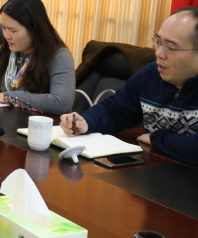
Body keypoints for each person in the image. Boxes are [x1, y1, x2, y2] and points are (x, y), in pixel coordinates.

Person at [60, 8, 198, 164]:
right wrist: (86, 121)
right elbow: (115, 110)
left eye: (170, 47)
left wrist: (156, 138)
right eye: (158, 42)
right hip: (154, 169)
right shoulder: (151, 74)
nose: (158, 53)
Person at [0, 0, 75, 115]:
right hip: (7, 119)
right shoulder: (8, 48)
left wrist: (10, 97)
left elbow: (61, 103)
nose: (6, 35)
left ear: (34, 30)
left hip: (35, 124)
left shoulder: (59, 56)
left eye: (13, 30)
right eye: (4, 28)